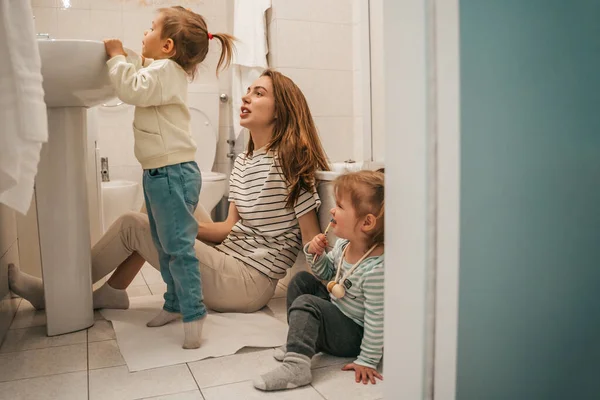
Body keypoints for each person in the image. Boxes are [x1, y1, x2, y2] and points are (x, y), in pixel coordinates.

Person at [8, 69, 330, 332]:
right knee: (157, 199)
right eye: (248, 90)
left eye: (259, 93)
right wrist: (178, 225)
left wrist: (328, 293)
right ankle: (113, 291)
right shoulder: (244, 162)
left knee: (131, 226)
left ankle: (59, 292)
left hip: (248, 282)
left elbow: (310, 241)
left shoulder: (291, 161)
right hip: (228, 259)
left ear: (282, 109)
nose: (246, 96)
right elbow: (225, 230)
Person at [102, 6, 236, 349]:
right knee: (163, 247)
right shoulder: (163, 70)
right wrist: (131, 57)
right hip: (160, 173)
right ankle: (175, 304)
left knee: (178, 248)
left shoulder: (164, 72)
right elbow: (142, 75)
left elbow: (131, 89)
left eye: (151, 28)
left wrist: (117, 57)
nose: (144, 33)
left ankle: (194, 312)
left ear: (168, 47)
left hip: (172, 174)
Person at [254, 169, 385, 391]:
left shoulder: (376, 269)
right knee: (301, 281)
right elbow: (326, 275)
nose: (333, 210)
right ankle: (300, 342)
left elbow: (376, 320)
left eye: (341, 206)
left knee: (307, 303)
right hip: (338, 312)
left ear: (367, 222)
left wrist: (367, 360)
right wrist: (316, 254)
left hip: (353, 334)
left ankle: (297, 366)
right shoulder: (344, 247)